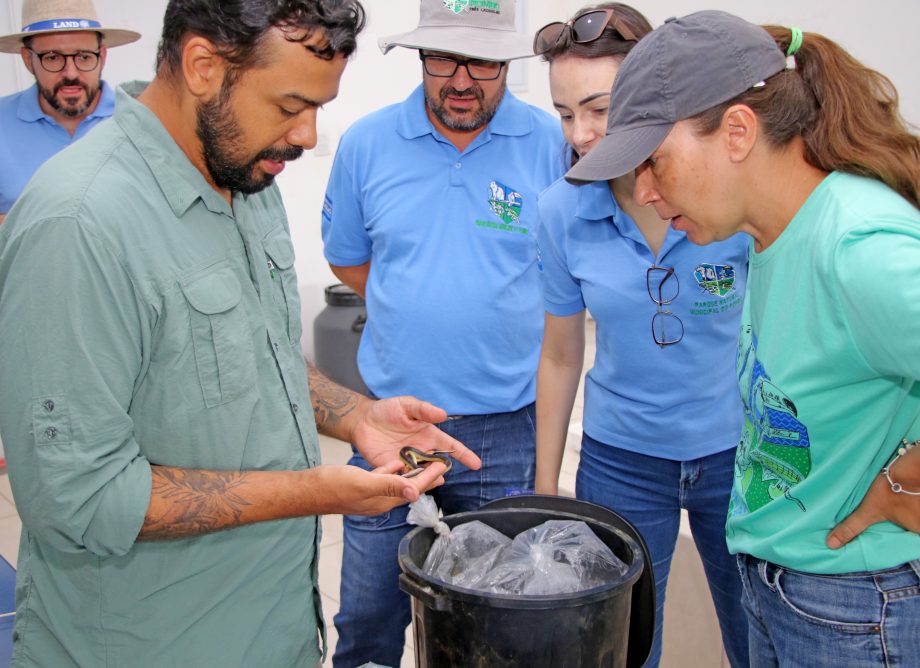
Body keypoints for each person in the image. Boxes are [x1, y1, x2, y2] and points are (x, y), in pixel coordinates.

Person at [0, 1, 484, 666]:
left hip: (273, 629)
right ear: (202, 66)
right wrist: (317, 490)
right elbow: (79, 501)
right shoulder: (79, 224)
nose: (308, 136)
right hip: (152, 644)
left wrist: (359, 416)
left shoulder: (247, 178)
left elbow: (259, 357)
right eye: (289, 105)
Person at [568, 10, 920, 667]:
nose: (642, 191)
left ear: (736, 131)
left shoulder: (858, 246)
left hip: (850, 603)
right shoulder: (768, 235)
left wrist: (907, 482)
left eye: (655, 161)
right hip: (782, 585)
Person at [320, 0, 563, 664]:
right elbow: (348, 257)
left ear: (508, 63)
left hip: (506, 430)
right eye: (442, 59)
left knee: (497, 619)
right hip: (390, 425)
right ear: (419, 58)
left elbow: (567, 274)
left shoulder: (549, 141)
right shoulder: (368, 142)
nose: (461, 79)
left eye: (482, 62)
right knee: (369, 616)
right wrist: (415, 300)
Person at [533, 5, 749, 666]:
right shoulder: (562, 211)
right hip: (622, 460)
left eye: (599, 108)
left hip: (737, 454)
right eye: (565, 113)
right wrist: (547, 484)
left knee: (756, 631)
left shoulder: (733, 195)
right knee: (622, 644)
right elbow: (561, 354)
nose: (582, 133)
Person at [0, 0, 140, 224]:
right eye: (53, 58)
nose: (71, 73)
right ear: (28, 60)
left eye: (84, 56)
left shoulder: (140, 120)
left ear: (102, 56)